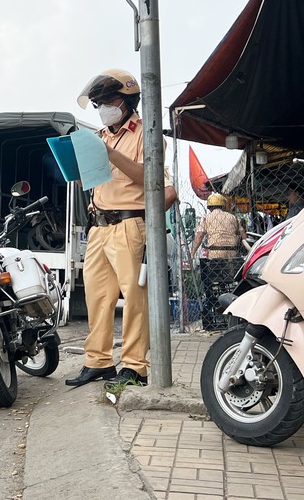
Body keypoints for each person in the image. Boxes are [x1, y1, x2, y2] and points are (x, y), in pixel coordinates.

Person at [64, 69, 177, 389]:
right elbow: (92, 181)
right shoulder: (99, 137)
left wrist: (110, 154)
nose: (103, 108)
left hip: (130, 223)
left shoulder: (146, 133)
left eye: (109, 101)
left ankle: (135, 366)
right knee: (97, 299)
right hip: (98, 225)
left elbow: (150, 178)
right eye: (99, 103)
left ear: (128, 101)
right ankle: (98, 362)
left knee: (134, 298)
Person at [189, 193, 246, 330]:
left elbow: (199, 236)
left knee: (211, 279)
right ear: (223, 205)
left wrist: (192, 253)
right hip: (232, 256)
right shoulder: (232, 217)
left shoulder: (207, 218)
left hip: (215, 254)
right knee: (230, 280)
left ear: (209, 206)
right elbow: (243, 235)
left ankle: (214, 306)